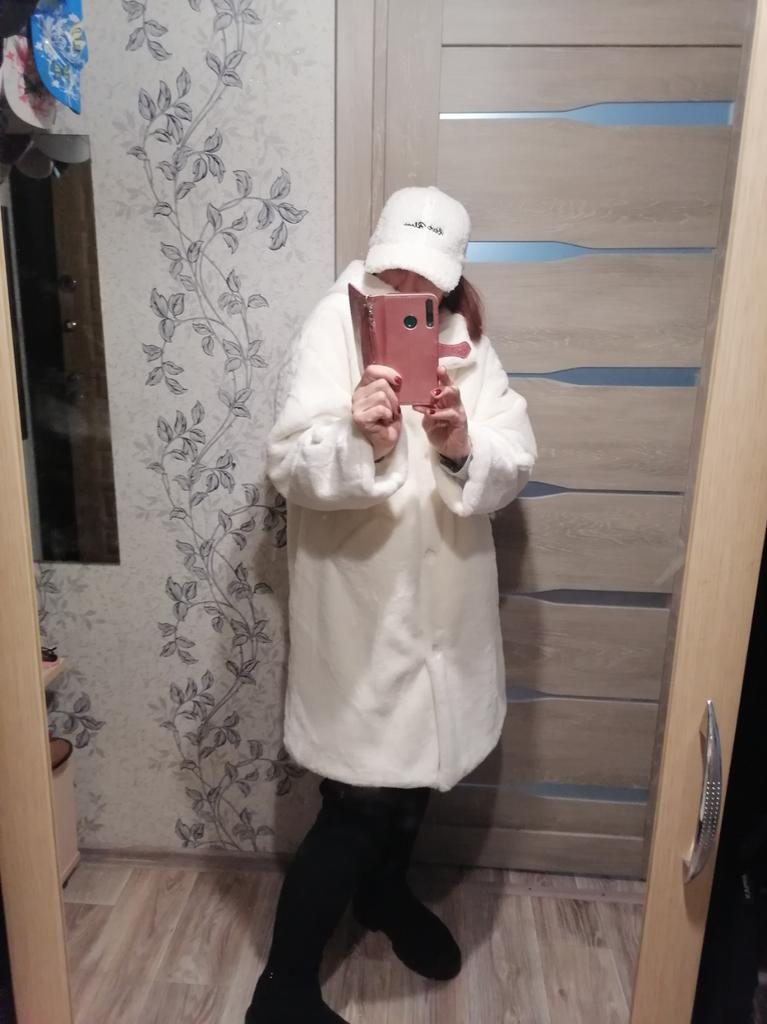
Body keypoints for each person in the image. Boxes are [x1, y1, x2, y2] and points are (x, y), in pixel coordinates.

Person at [246, 186, 537, 1023]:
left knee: (415, 781)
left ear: (451, 276)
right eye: (396, 270)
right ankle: (282, 990)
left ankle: (383, 895)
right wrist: (360, 441)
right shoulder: (330, 324)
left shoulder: (466, 340)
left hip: (448, 613)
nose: (409, 288)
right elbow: (287, 465)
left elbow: (515, 453)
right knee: (357, 801)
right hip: (363, 612)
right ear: (375, 254)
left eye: (427, 277)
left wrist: (460, 446)